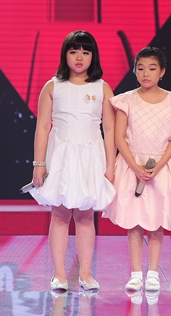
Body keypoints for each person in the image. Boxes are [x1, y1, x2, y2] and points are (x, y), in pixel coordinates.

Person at [29, 30, 116, 292]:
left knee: (86, 216)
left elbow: (110, 129)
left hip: (90, 157)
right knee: (59, 214)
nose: (79, 57)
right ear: (65, 54)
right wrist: (39, 165)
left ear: (93, 56)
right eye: (74, 51)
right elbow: (42, 127)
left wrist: (110, 165)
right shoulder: (53, 86)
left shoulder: (102, 88)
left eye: (85, 52)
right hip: (61, 157)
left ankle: (86, 274)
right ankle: (59, 274)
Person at [103, 46, 171, 293]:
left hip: (161, 167)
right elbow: (119, 137)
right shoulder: (126, 100)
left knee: (156, 223)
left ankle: (153, 274)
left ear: (162, 72)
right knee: (135, 223)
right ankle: (136, 273)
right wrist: (135, 167)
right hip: (131, 166)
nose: (146, 74)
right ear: (135, 71)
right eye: (140, 68)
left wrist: (158, 166)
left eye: (151, 68)